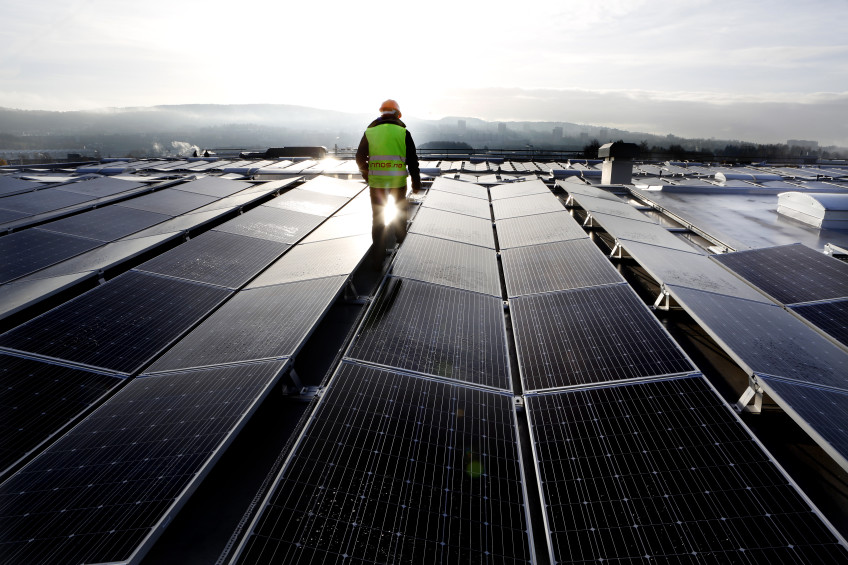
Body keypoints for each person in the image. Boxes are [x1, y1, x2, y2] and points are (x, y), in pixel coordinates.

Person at [356, 99, 421, 270]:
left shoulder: (370, 132)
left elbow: (359, 158)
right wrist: (416, 183)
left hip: (376, 183)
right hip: (398, 182)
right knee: (400, 216)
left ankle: (377, 261)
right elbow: (413, 161)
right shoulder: (403, 132)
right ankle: (402, 251)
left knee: (378, 220)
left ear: (382, 113)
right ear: (397, 114)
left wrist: (367, 175)